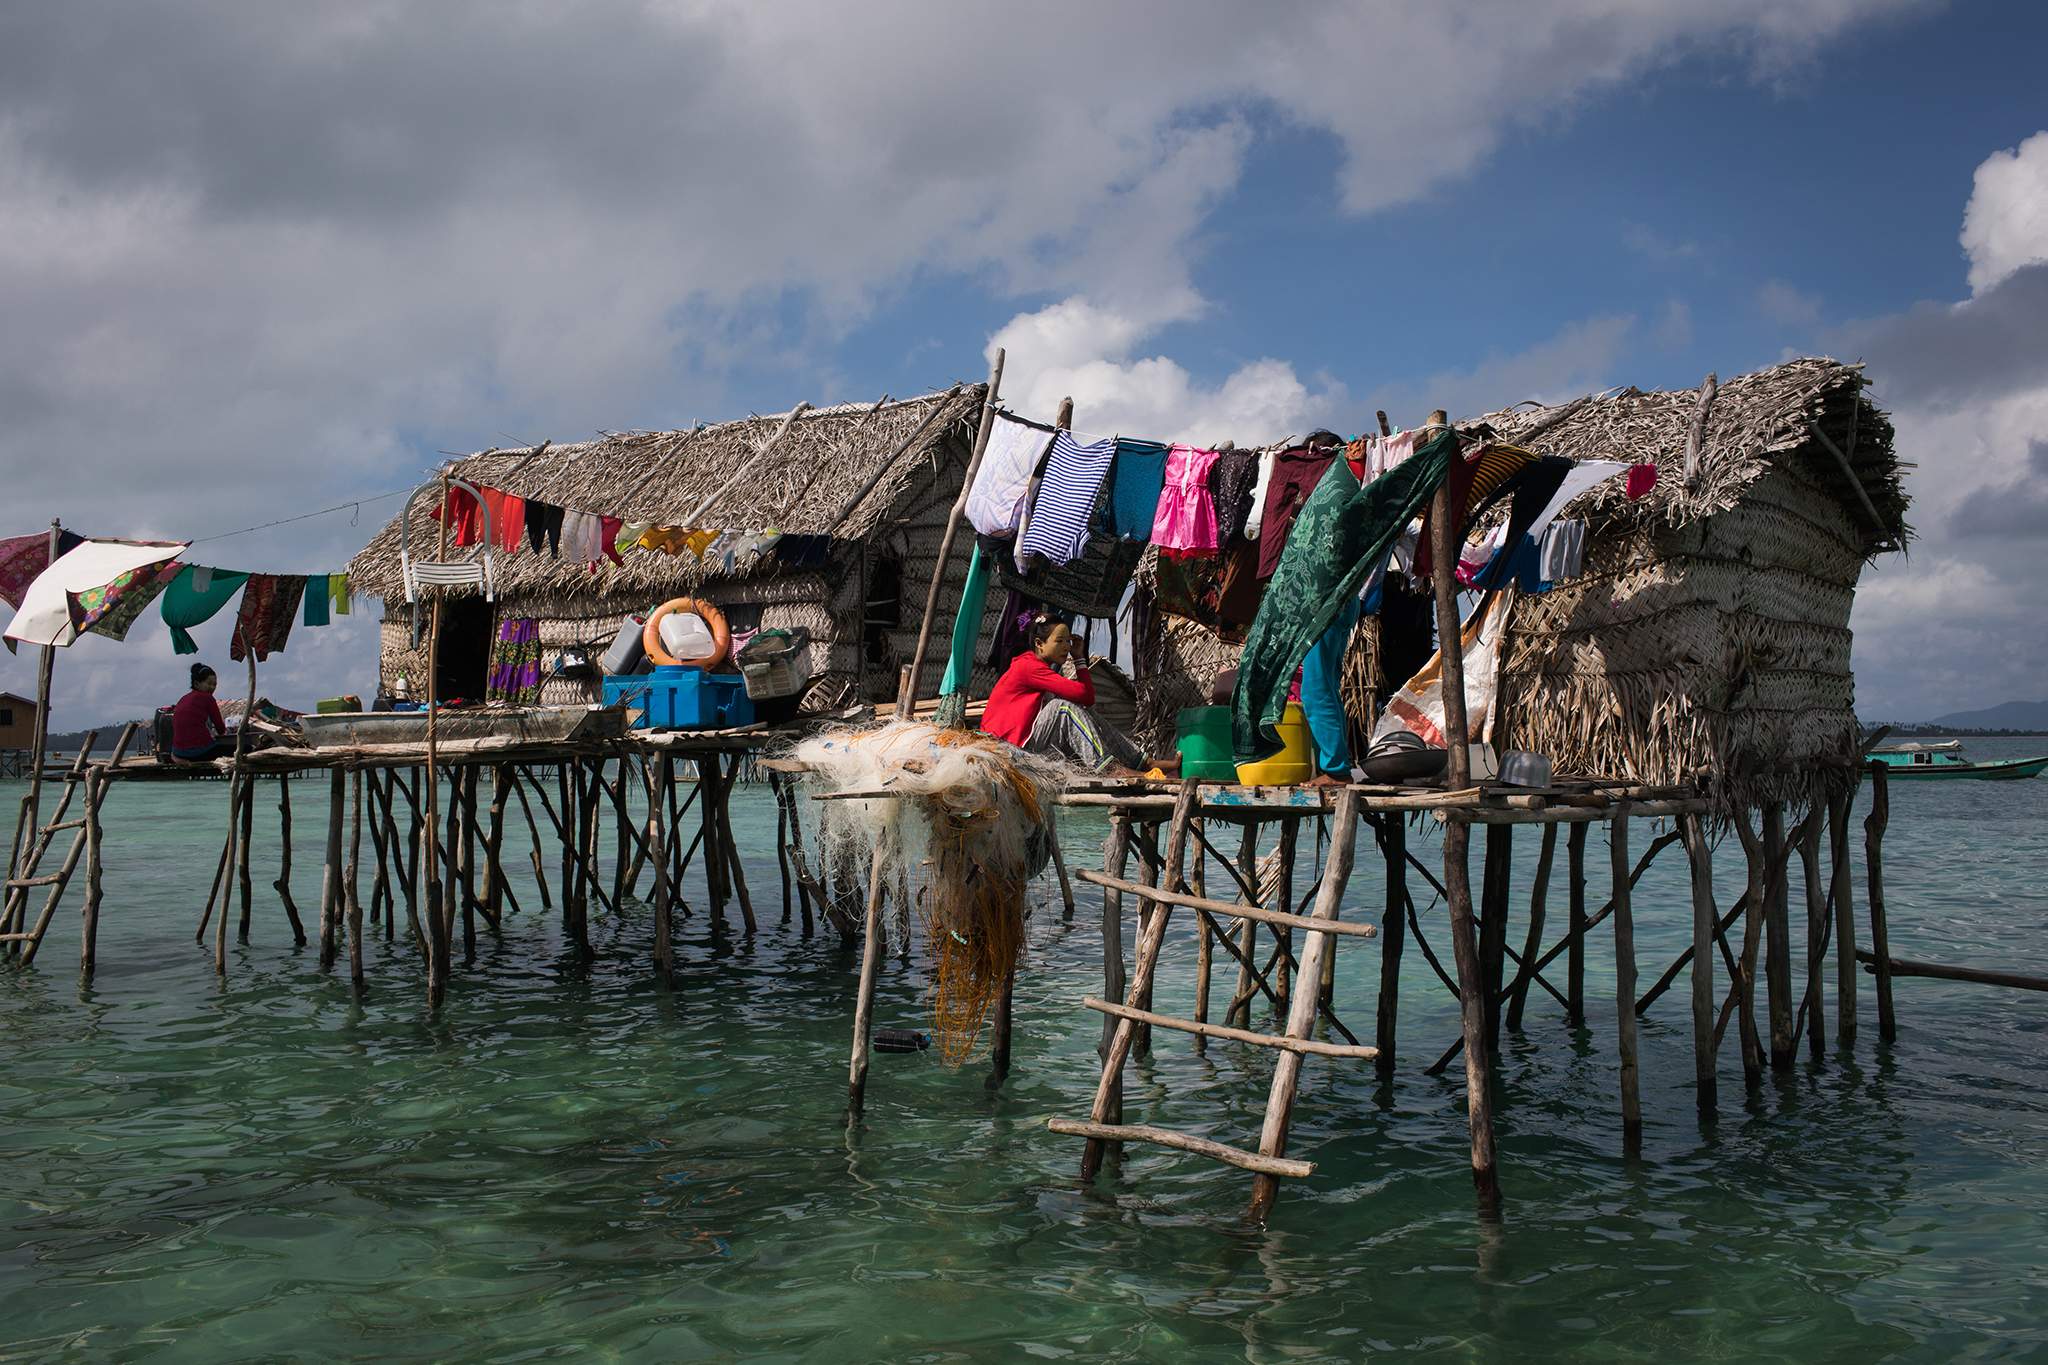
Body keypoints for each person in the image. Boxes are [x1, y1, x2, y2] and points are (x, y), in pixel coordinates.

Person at [981, 614, 1176, 777]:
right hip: (1007, 751)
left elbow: (1086, 700)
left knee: (1079, 708)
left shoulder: (1036, 667)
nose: (1066, 646)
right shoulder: (1029, 667)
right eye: (1059, 641)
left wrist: (1079, 659)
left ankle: (1143, 762)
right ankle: (1109, 769)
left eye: (1068, 641)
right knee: (1062, 709)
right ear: (1039, 644)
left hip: (1022, 745)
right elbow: (1084, 694)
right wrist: (1079, 659)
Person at [170, 663, 236, 762]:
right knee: (244, 748)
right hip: (198, 752)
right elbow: (220, 729)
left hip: (178, 752)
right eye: (209, 683)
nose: (212, 687)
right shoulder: (208, 698)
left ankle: (176, 757)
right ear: (197, 684)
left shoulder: (183, 698)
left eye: (214, 685)